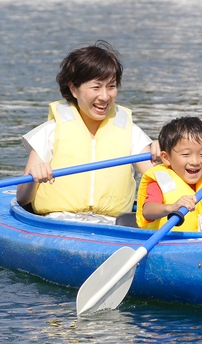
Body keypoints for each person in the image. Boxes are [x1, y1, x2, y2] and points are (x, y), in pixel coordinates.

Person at [16, 40, 159, 223]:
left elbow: (158, 179)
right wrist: (34, 177)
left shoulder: (132, 132)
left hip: (112, 226)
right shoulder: (50, 131)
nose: (105, 96)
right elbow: (22, 197)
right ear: (74, 89)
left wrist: (164, 160)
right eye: (96, 87)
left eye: (111, 86)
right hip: (58, 222)